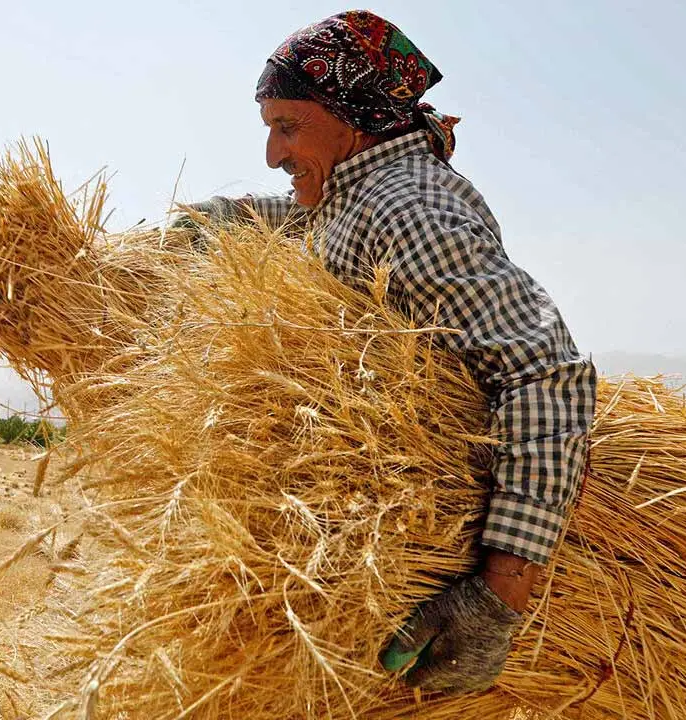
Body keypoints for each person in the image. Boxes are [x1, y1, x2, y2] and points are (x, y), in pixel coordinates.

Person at [182, 11, 597, 694]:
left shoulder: (408, 208)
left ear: (354, 116)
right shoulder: (355, 187)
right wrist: (213, 220)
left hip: (428, 568)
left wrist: (499, 595)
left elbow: (540, 371)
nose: (273, 154)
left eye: (287, 127)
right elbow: (312, 221)